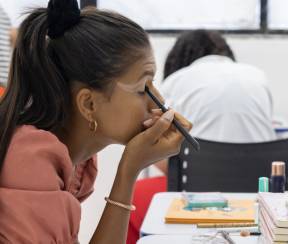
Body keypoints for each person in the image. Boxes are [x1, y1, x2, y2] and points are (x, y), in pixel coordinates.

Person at [0, 0, 192, 243]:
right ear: (89, 104)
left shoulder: (70, 159)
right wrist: (129, 169)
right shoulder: (28, 164)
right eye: (143, 89)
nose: (158, 103)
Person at [160, 29, 276, 143]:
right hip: (262, 160)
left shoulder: (177, 79)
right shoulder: (257, 75)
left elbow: (161, 146)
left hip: (199, 160)